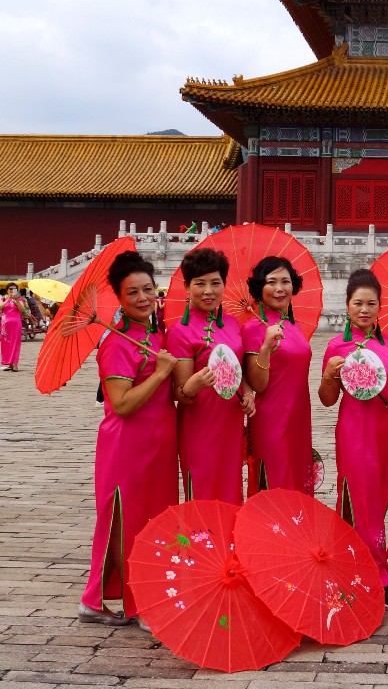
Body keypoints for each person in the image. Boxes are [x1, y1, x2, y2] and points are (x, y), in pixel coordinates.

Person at [79, 251, 178, 630]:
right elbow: (121, 404)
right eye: (132, 292)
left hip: (159, 445)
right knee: (127, 523)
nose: (142, 297)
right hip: (127, 447)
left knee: (153, 522)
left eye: (148, 289)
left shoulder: (155, 335)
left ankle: (104, 600)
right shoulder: (116, 344)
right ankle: (138, 604)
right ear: (119, 299)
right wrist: (160, 373)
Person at [318, 269, 388, 610]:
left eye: (371, 303)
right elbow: (327, 399)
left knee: (379, 499)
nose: (365, 310)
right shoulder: (336, 347)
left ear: (380, 306)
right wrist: (329, 376)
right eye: (358, 303)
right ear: (347, 305)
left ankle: (352, 564)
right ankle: (378, 576)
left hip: (383, 431)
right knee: (359, 499)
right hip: (353, 430)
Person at [168, 248, 254, 504]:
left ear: (224, 284)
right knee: (203, 494)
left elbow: (239, 369)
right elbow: (179, 392)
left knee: (231, 491)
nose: (208, 291)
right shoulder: (179, 332)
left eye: (215, 283)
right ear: (187, 287)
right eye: (200, 284)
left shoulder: (232, 324)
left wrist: (248, 393)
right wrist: (192, 386)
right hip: (199, 424)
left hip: (231, 421)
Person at [242, 256, 313, 494]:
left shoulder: (294, 325)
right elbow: (258, 384)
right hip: (271, 419)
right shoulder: (253, 327)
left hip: (299, 417)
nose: (279, 288)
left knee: (297, 484)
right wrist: (265, 347)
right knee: (275, 485)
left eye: (285, 281)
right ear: (259, 287)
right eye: (271, 282)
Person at [1, 283, 25, 371]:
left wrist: (17, 301)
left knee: (15, 343)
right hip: (5, 324)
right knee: (6, 343)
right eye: (10, 289)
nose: (12, 291)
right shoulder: (3, 298)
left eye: (14, 289)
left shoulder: (20, 299)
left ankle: (15, 363)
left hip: (16, 323)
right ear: (7, 290)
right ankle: (9, 363)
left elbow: (22, 310)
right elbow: (0, 307)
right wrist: (8, 300)